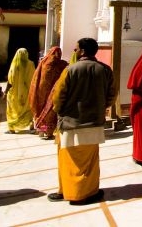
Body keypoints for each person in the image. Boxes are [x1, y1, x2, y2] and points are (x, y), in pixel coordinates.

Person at [47, 38, 115, 205]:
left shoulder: (70, 70)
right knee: (90, 162)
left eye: (76, 49)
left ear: (83, 51)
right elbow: (112, 95)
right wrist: (100, 107)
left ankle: (68, 191)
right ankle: (90, 192)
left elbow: (58, 97)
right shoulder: (105, 70)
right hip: (94, 123)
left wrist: (61, 111)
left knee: (68, 160)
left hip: (71, 123)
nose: (75, 51)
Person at [28, 47, 68, 140]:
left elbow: (36, 77)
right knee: (50, 113)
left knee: (43, 112)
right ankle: (48, 132)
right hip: (52, 92)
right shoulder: (61, 64)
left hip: (42, 92)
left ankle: (42, 131)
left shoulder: (43, 62)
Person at [3, 48, 36, 134]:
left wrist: (5, 92)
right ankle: (31, 126)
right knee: (28, 108)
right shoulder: (31, 64)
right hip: (27, 91)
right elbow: (33, 78)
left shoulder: (14, 65)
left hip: (14, 93)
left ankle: (11, 128)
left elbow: (10, 81)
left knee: (12, 110)